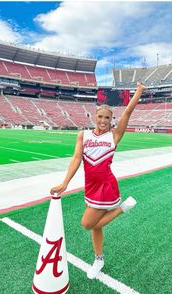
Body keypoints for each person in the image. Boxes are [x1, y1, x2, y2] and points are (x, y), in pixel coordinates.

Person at [50, 82, 146, 279]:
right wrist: (65, 183)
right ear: (94, 117)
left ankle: (122, 208)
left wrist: (138, 92)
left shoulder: (115, 135)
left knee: (87, 224)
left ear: (112, 120)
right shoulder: (82, 135)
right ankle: (99, 259)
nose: (103, 120)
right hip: (90, 187)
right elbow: (77, 159)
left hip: (106, 187)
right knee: (97, 226)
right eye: (100, 116)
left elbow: (127, 112)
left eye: (107, 118)